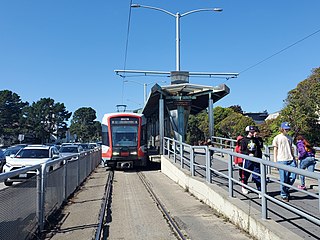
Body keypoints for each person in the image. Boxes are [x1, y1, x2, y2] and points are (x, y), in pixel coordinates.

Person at [272, 122, 296, 202]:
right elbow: (275, 149)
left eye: (288, 129)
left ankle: (286, 189)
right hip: (282, 160)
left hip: (290, 159)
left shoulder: (290, 138)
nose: (287, 130)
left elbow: (291, 148)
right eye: (286, 129)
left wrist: (293, 157)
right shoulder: (277, 138)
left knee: (293, 177)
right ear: (282, 129)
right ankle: (284, 194)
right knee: (283, 179)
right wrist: (275, 161)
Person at [240, 126, 262, 195]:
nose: (252, 133)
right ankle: (244, 187)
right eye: (251, 132)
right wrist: (248, 154)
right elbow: (242, 151)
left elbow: (260, 147)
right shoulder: (244, 140)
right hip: (247, 160)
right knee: (245, 175)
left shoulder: (257, 139)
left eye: (253, 131)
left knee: (257, 176)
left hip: (255, 160)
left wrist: (257, 138)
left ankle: (260, 191)